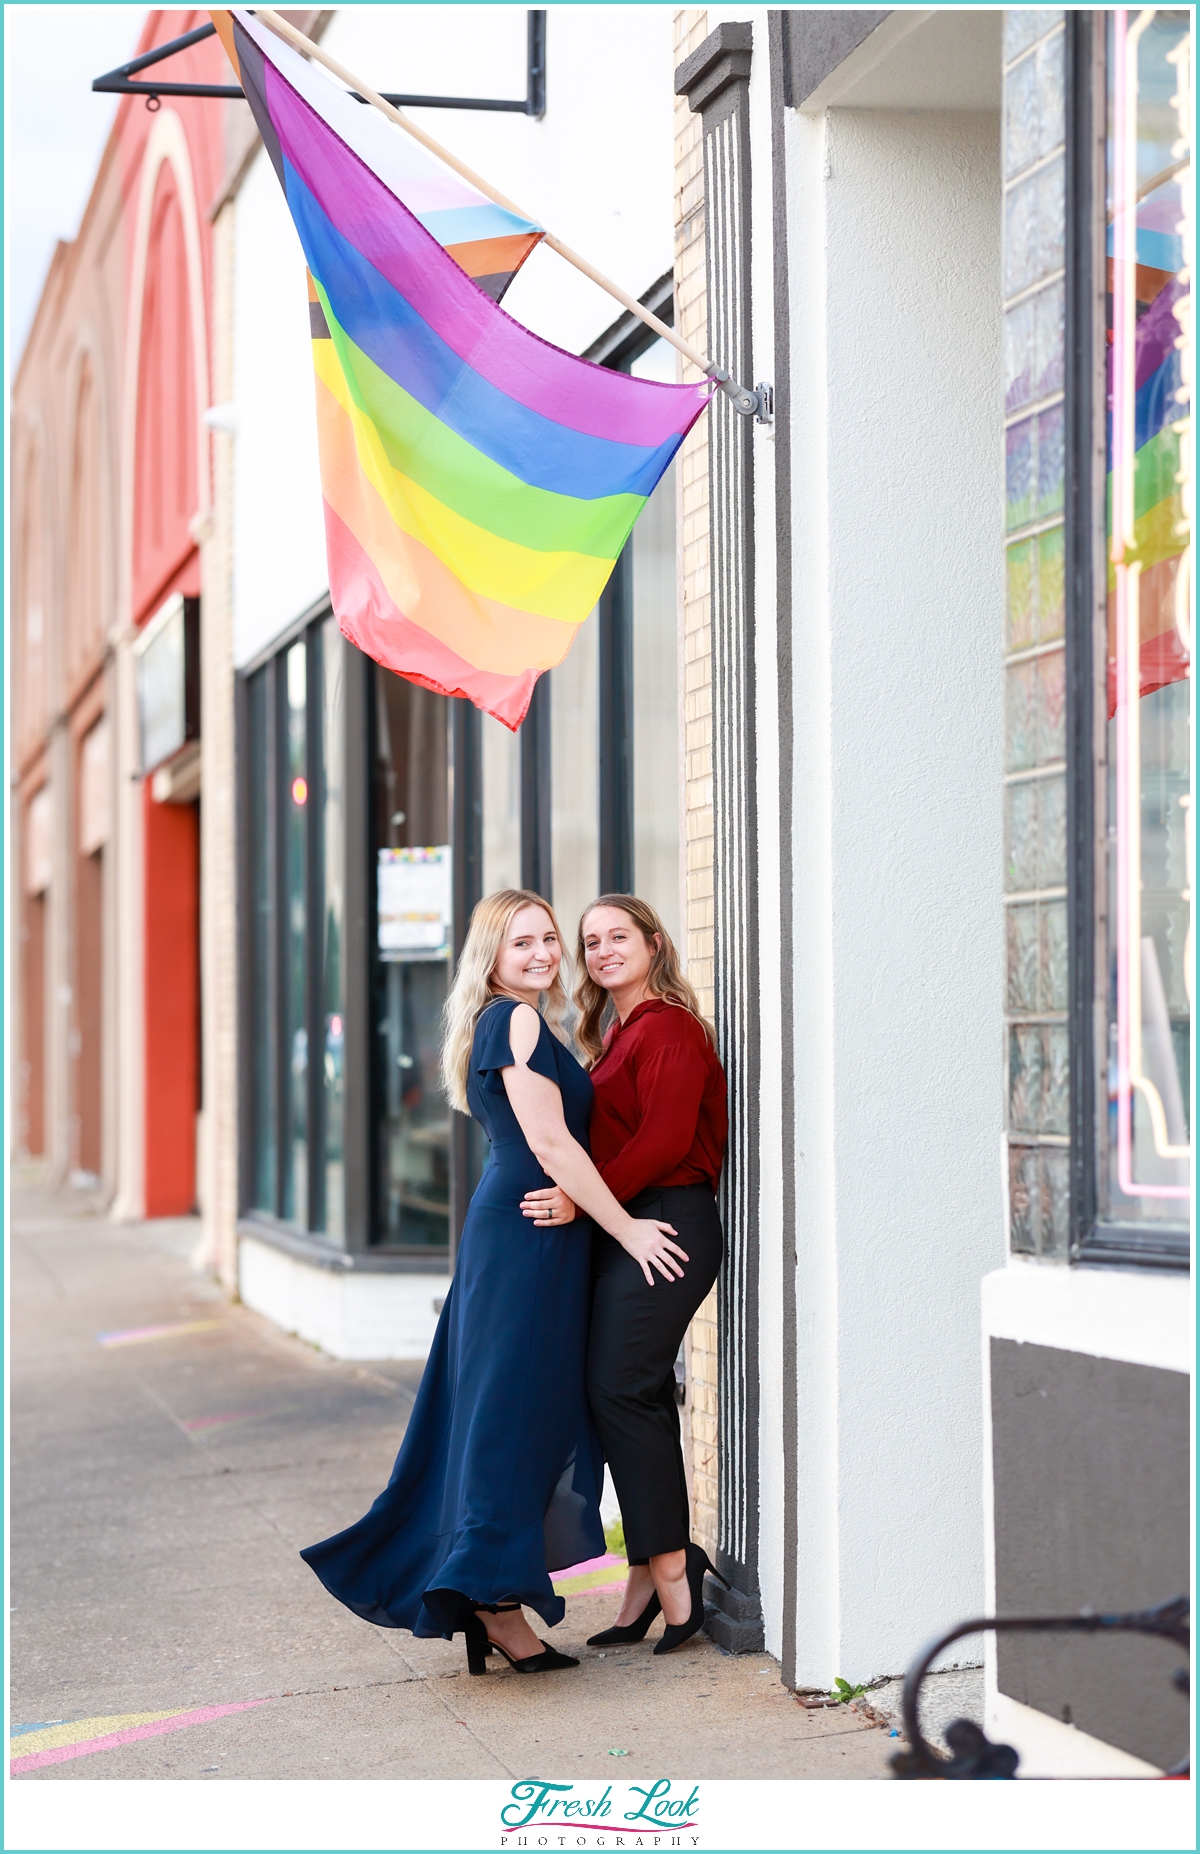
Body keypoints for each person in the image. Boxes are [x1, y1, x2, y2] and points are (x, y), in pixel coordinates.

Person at [300, 888, 687, 1677]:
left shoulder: (516, 1021)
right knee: (510, 1415)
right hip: (527, 1235)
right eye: (525, 944)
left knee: (507, 1410)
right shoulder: (511, 1020)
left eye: (551, 940)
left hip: (528, 1230)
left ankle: (488, 1592)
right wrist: (625, 1225)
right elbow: (551, 1142)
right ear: (494, 957)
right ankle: (494, 1603)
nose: (544, 954)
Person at [522, 895, 729, 1655]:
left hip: (666, 1222)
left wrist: (581, 1199)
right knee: (628, 1392)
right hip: (631, 1222)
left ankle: (674, 1573)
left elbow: (669, 1138)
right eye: (591, 941)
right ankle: (649, 1571)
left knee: (618, 1386)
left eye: (619, 936)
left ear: (653, 942)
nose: (604, 949)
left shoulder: (669, 1027)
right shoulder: (618, 1034)